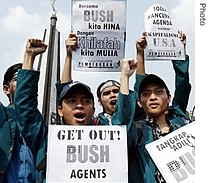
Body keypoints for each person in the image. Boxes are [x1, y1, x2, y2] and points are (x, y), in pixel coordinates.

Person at [14, 37, 102, 182]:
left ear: (93, 110)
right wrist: (29, 57)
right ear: (60, 110)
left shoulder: (107, 139)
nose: (79, 105)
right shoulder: (46, 139)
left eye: (86, 101)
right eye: (72, 101)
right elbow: (25, 107)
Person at [112, 30, 192, 183]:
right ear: (139, 102)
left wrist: (179, 52)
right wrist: (124, 77)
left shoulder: (182, 123)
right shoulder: (137, 133)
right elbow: (121, 123)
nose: (153, 97)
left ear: (168, 98)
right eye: (146, 94)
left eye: (158, 92)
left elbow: (183, 85)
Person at [0, 63, 35, 183]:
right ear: (6, 89)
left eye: (27, 80)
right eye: (17, 79)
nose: (23, 83)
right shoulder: (2, 116)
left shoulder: (40, 126)